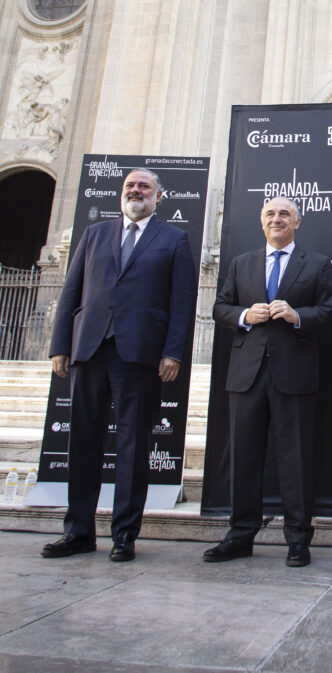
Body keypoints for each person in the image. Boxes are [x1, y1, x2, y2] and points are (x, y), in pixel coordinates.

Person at [44, 168, 197, 562]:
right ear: (121, 194)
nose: (136, 191)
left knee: (132, 446)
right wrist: (61, 344)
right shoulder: (95, 235)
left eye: (144, 186)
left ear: (158, 196)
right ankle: (78, 531)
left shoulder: (174, 239)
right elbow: (71, 291)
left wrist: (174, 352)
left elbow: (182, 302)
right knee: (82, 443)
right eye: (130, 185)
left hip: (140, 354)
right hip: (90, 349)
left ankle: (125, 534)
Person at [203, 197, 332, 567]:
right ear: (261, 223)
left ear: (298, 222)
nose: (277, 219)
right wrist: (246, 314)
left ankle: (298, 540)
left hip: (293, 375)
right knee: (243, 460)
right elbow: (220, 308)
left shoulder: (316, 263)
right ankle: (240, 536)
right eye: (270, 214)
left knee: (295, 461)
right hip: (246, 375)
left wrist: (298, 316)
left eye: (284, 214)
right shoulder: (241, 263)